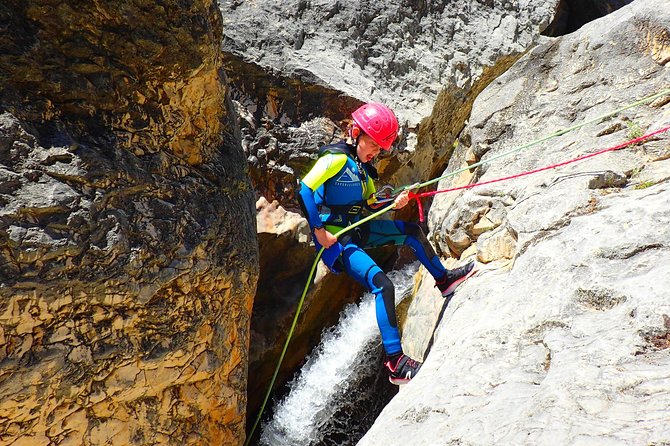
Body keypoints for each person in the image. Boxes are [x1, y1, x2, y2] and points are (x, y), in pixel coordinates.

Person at [298, 102, 475, 385]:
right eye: (373, 144)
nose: (375, 152)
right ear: (355, 132)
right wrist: (319, 232)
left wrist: (396, 200)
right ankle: (395, 362)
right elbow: (305, 189)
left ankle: (444, 281)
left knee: (411, 231)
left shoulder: (362, 169)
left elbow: (370, 203)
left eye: (380, 149)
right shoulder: (335, 159)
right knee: (384, 285)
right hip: (337, 241)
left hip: (357, 230)